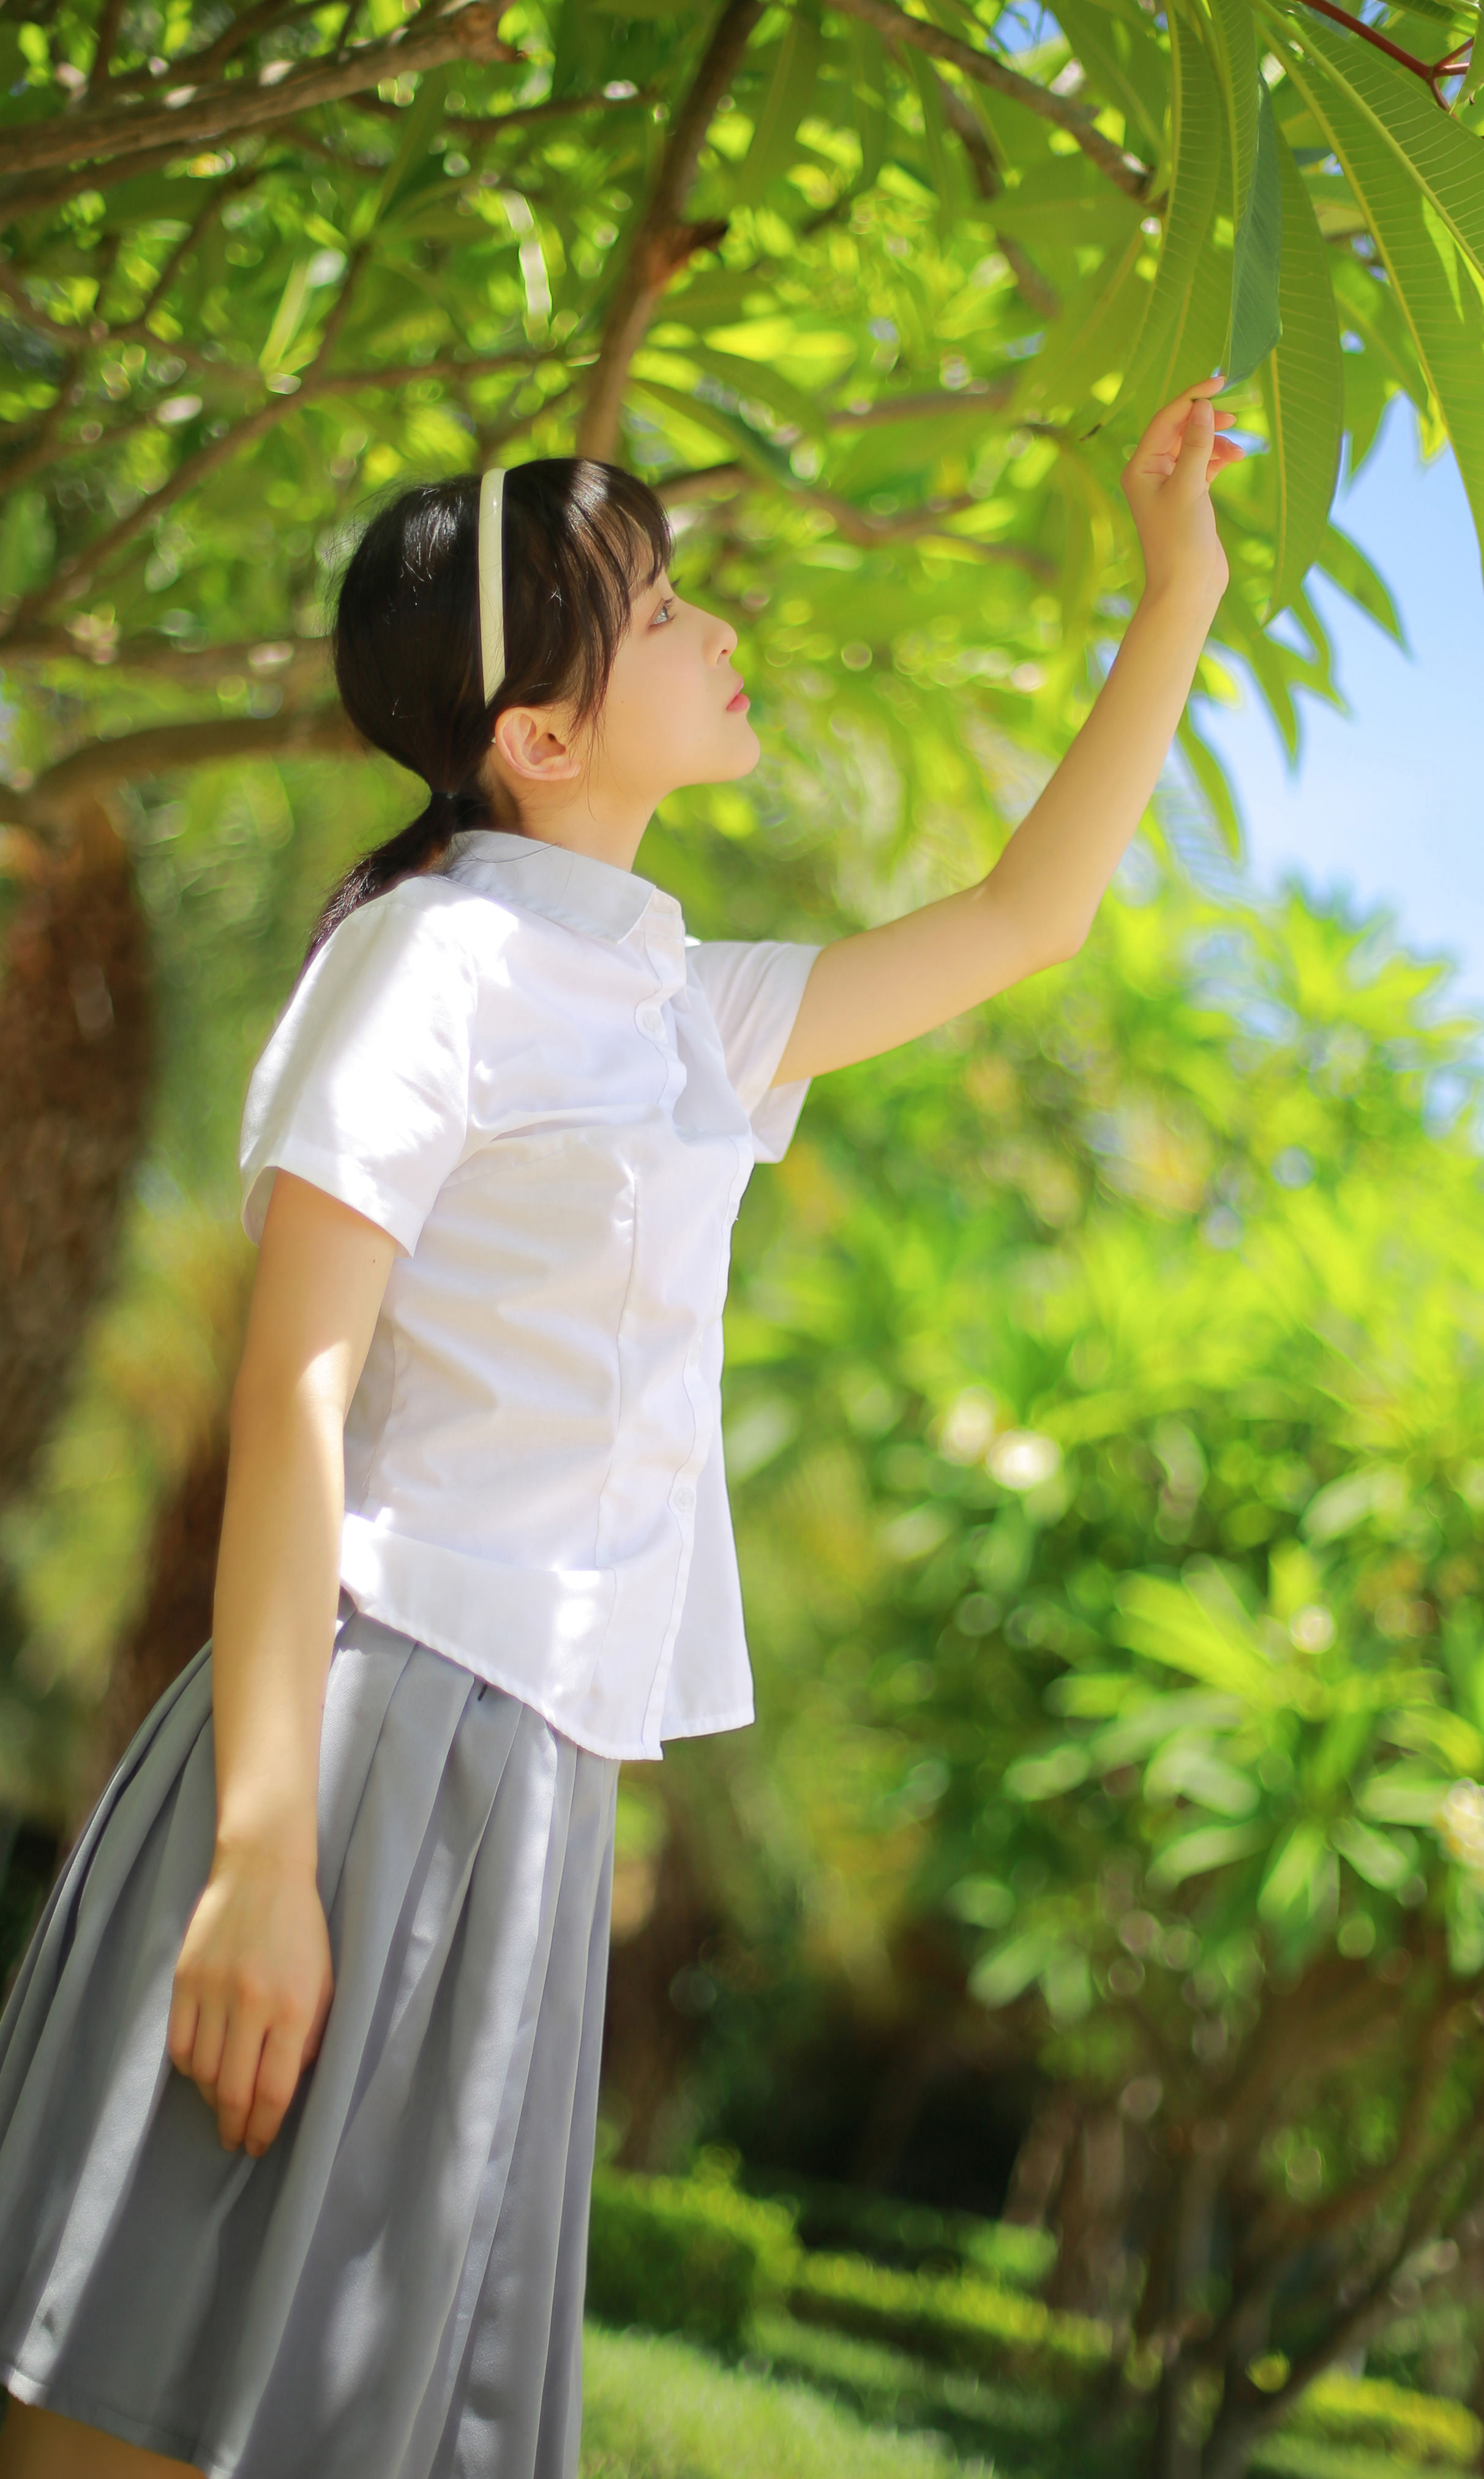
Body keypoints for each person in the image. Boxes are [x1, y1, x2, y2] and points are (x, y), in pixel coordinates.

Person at [0, 378, 1239, 2479]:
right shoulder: (429, 960)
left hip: (537, 1791)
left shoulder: (683, 1006)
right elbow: (294, 1392)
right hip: (363, 1737)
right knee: (147, 2377)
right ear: (539, 738)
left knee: (344, 2427)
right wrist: (262, 1853)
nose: (707, 623)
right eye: (654, 607)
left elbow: (1026, 917)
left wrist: (1173, 593)